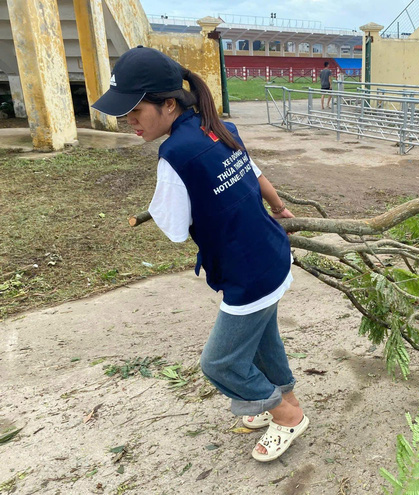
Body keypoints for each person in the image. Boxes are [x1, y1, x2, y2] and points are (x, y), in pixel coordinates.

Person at [91, 46, 308, 463]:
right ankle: (282, 401)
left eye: (135, 111)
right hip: (271, 254)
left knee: (220, 363)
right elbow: (254, 170)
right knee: (263, 341)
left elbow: (174, 229)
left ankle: (287, 414)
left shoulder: (174, 155)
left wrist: (173, 193)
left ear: (168, 104)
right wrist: (279, 208)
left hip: (247, 274)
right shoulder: (216, 127)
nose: (128, 122)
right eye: (125, 114)